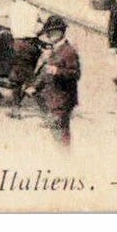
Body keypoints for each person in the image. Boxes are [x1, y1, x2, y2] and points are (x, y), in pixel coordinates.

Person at [0, 0, 43, 116]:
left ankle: (16, 109)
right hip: (33, 46)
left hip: (20, 45)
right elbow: (41, 25)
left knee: (17, 79)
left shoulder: (12, 8)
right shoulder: (33, 9)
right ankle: (32, 100)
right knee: (29, 74)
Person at [31, 15, 81, 146]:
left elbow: (75, 73)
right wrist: (35, 86)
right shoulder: (53, 49)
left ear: (60, 32)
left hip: (63, 99)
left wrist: (57, 71)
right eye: (48, 33)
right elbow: (45, 71)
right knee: (56, 133)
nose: (49, 36)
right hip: (53, 98)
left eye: (52, 32)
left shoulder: (69, 51)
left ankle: (64, 156)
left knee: (61, 133)